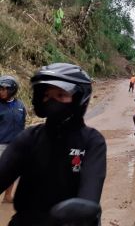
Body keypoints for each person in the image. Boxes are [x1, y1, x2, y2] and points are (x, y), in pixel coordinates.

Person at [0, 63, 107, 226]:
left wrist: (82, 210)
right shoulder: (29, 137)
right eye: (47, 95)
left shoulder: (92, 141)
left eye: (60, 95)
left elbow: (91, 189)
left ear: (79, 98)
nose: (52, 101)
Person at [0, 76, 26, 203]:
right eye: (1, 88)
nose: (2, 91)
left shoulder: (20, 105)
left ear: (13, 90)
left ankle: (7, 196)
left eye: (6, 89)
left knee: (12, 171)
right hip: (1, 144)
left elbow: (23, 123)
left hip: (16, 144)